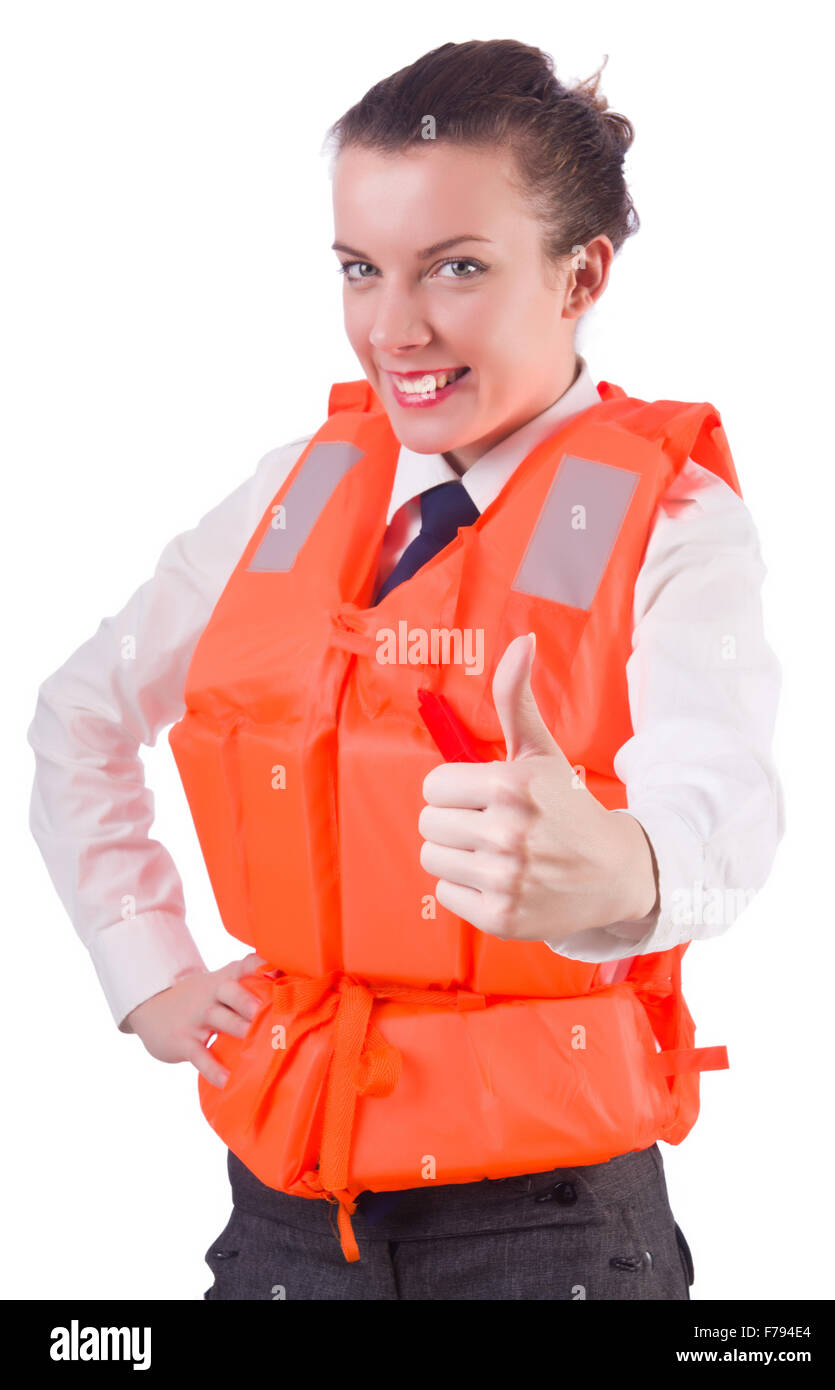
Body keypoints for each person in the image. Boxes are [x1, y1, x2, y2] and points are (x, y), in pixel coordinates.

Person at [27, 39, 784, 1301]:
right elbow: (80, 714)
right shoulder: (292, 489)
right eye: (360, 270)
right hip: (286, 1206)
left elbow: (727, 807)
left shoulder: (674, 520)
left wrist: (629, 866)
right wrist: (144, 965)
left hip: (547, 1225)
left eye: (460, 270)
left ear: (583, 272)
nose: (396, 327)